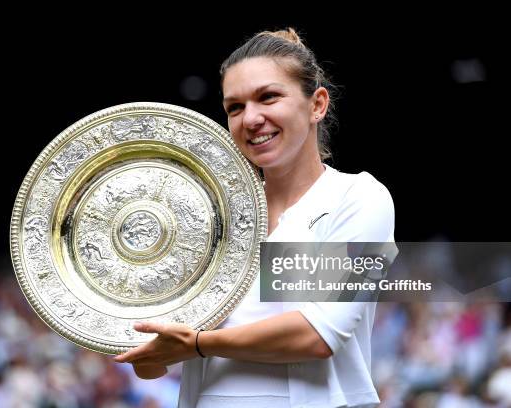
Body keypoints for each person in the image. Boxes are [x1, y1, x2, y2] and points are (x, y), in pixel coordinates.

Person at [114, 28, 395, 408]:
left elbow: (316, 335)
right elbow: (152, 364)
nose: (251, 118)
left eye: (268, 97)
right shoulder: (208, 220)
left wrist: (197, 344)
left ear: (317, 104)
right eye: (235, 107)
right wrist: (130, 324)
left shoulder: (358, 197)